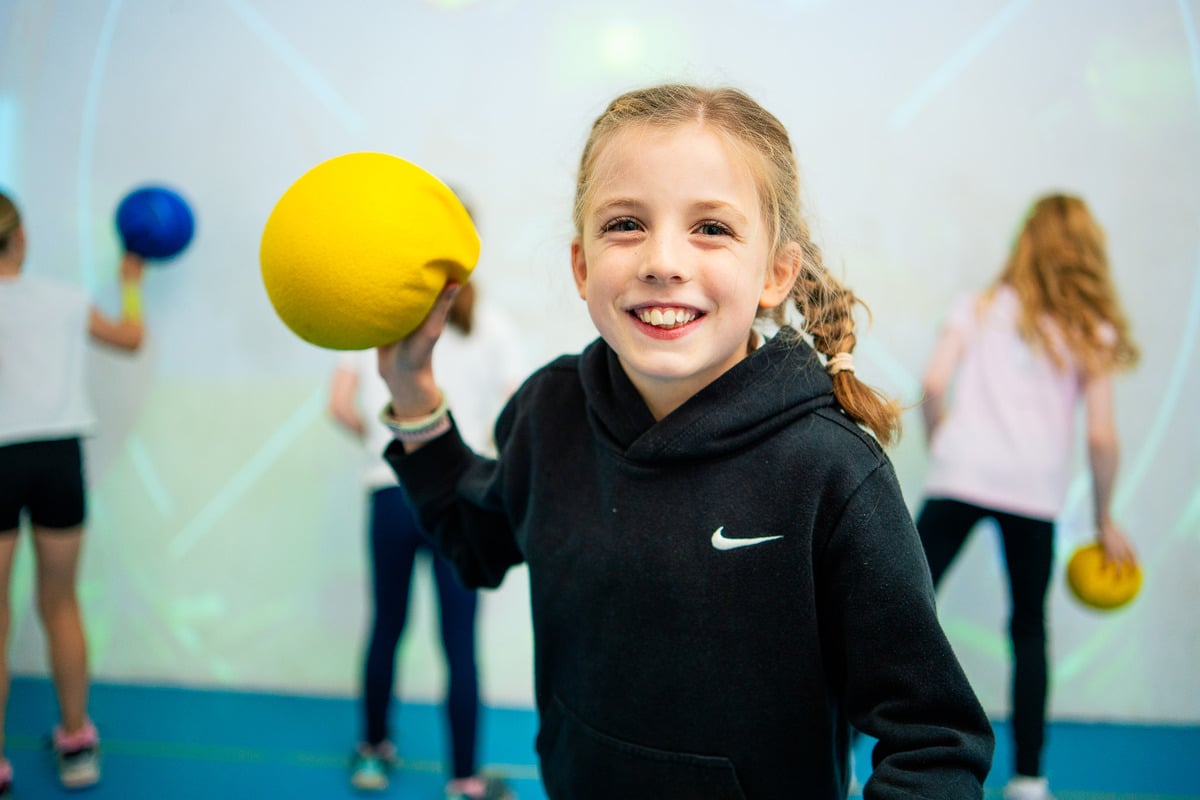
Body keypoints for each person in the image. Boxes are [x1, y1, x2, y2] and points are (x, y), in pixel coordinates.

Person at [374, 84, 996, 799]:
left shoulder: (829, 468)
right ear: (581, 266)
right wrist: (413, 388)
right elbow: (472, 540)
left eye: (711, 229)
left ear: (776, 274)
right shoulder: (550, 413)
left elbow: (936, 741)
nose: (663, 261)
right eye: (626, 224)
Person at [915, 193, 1139, 800]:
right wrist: (1103, 517)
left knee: (895, 613)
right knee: (1029, 631)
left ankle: (845, 750)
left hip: (959, 474)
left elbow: (933, 383)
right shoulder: (1090, 329)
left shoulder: (977, 306)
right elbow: (1100, 435)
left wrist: (945, 444)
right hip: (1032, 491)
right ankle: (1030, 779)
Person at [330, 279, 522, 799]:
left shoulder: (375, 326)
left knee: (386, 627)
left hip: (389, 493)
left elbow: (340, 406)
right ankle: (464, 780)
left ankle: (371, 753)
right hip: (459, 497)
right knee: (460, 644)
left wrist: (379, 444)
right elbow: (511, 423)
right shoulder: (491, 324)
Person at [0, 189, 148, 796]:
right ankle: (76, 742)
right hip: (58, 458)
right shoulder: (64, 300)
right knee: (60, 602)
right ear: (23, 238)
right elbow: (130, 336)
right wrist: (131, 281)